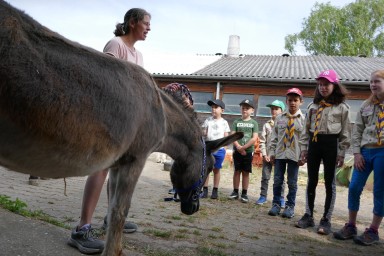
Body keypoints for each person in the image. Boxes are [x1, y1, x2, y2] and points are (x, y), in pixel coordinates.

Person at [67, 8, 151, 255]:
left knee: (118, 171)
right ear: (132, 22)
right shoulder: (115, 45)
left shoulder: (139, 55)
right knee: (101, 168)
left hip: (126, 122)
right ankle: (82, 229)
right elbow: (106, 82)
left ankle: (111, 219)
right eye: (146, 23)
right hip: (108, 119)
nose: (149, 28)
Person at [296, 69, 350, 235]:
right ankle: (308, 215)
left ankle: (326, 219)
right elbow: (306, 130)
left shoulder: (342, 108)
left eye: (326, 84)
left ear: (334, 85)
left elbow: (345, 133)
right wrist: (304, 149)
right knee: (311, 180)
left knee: (329, 183)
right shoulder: (313, 106)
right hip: (314, 143)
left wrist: (341, 152)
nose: (323, 87)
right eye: (320, 84)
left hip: (331, 145)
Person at [333, 69, 384, 245]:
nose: (373, 84)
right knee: (354, 187)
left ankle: (373, 230)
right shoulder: (365, 106)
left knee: (379, 190)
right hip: (365, 152)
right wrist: (356, 153)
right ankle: (351, 225)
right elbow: (357, 132)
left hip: (383, 152)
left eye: (377, 81)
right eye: (371, 82)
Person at [268, 88, 305, 218]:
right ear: (286, 101)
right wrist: (271, 152)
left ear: (301, 102)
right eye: (290, 100)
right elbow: (274, 137)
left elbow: (305, 140)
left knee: (292, 182)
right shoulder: (280, 118)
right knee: (277, 180)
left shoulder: (304, 119)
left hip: (295, 155)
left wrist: (304, 155)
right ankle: (276, 204)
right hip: (280, 154)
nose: (293, 103)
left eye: (296, 100)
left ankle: (290, 206)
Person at [256, 100, 286, 206]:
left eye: (276, 109)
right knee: (265, 176)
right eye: (272, 109)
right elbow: (262, 141)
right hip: (268, 156)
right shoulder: (267, 125)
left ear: (282, 111)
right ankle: (263, 196)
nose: (273, 111)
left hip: (280, 156)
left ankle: (280, 198)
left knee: (280, 178)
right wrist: (264, 154)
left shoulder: (284, 123)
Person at [228, 99, 258, 203]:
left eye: (247, 108)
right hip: (237, 151)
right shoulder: (236, 122)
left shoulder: (254, 123)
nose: (245, 110)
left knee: (246, 172)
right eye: (243, 108)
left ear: (252, 110)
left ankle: (244, 193)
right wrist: (239, 148)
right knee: (237, 171)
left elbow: (254, 138)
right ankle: (235, 191)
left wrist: (244, 148)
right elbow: (233, 136)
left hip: (248, 151)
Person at [200, 99, 230, 199]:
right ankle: (205, 189)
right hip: (209, 149)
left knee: (216, 170)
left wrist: (225, 148)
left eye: (216, 107)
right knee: (207, 170)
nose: (213, 109)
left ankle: (215, 190)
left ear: (222, 110)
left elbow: (226, 137)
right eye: (212, 107)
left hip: (220, 150)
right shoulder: (207, 120)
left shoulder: (224, 122)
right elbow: (204, 133)